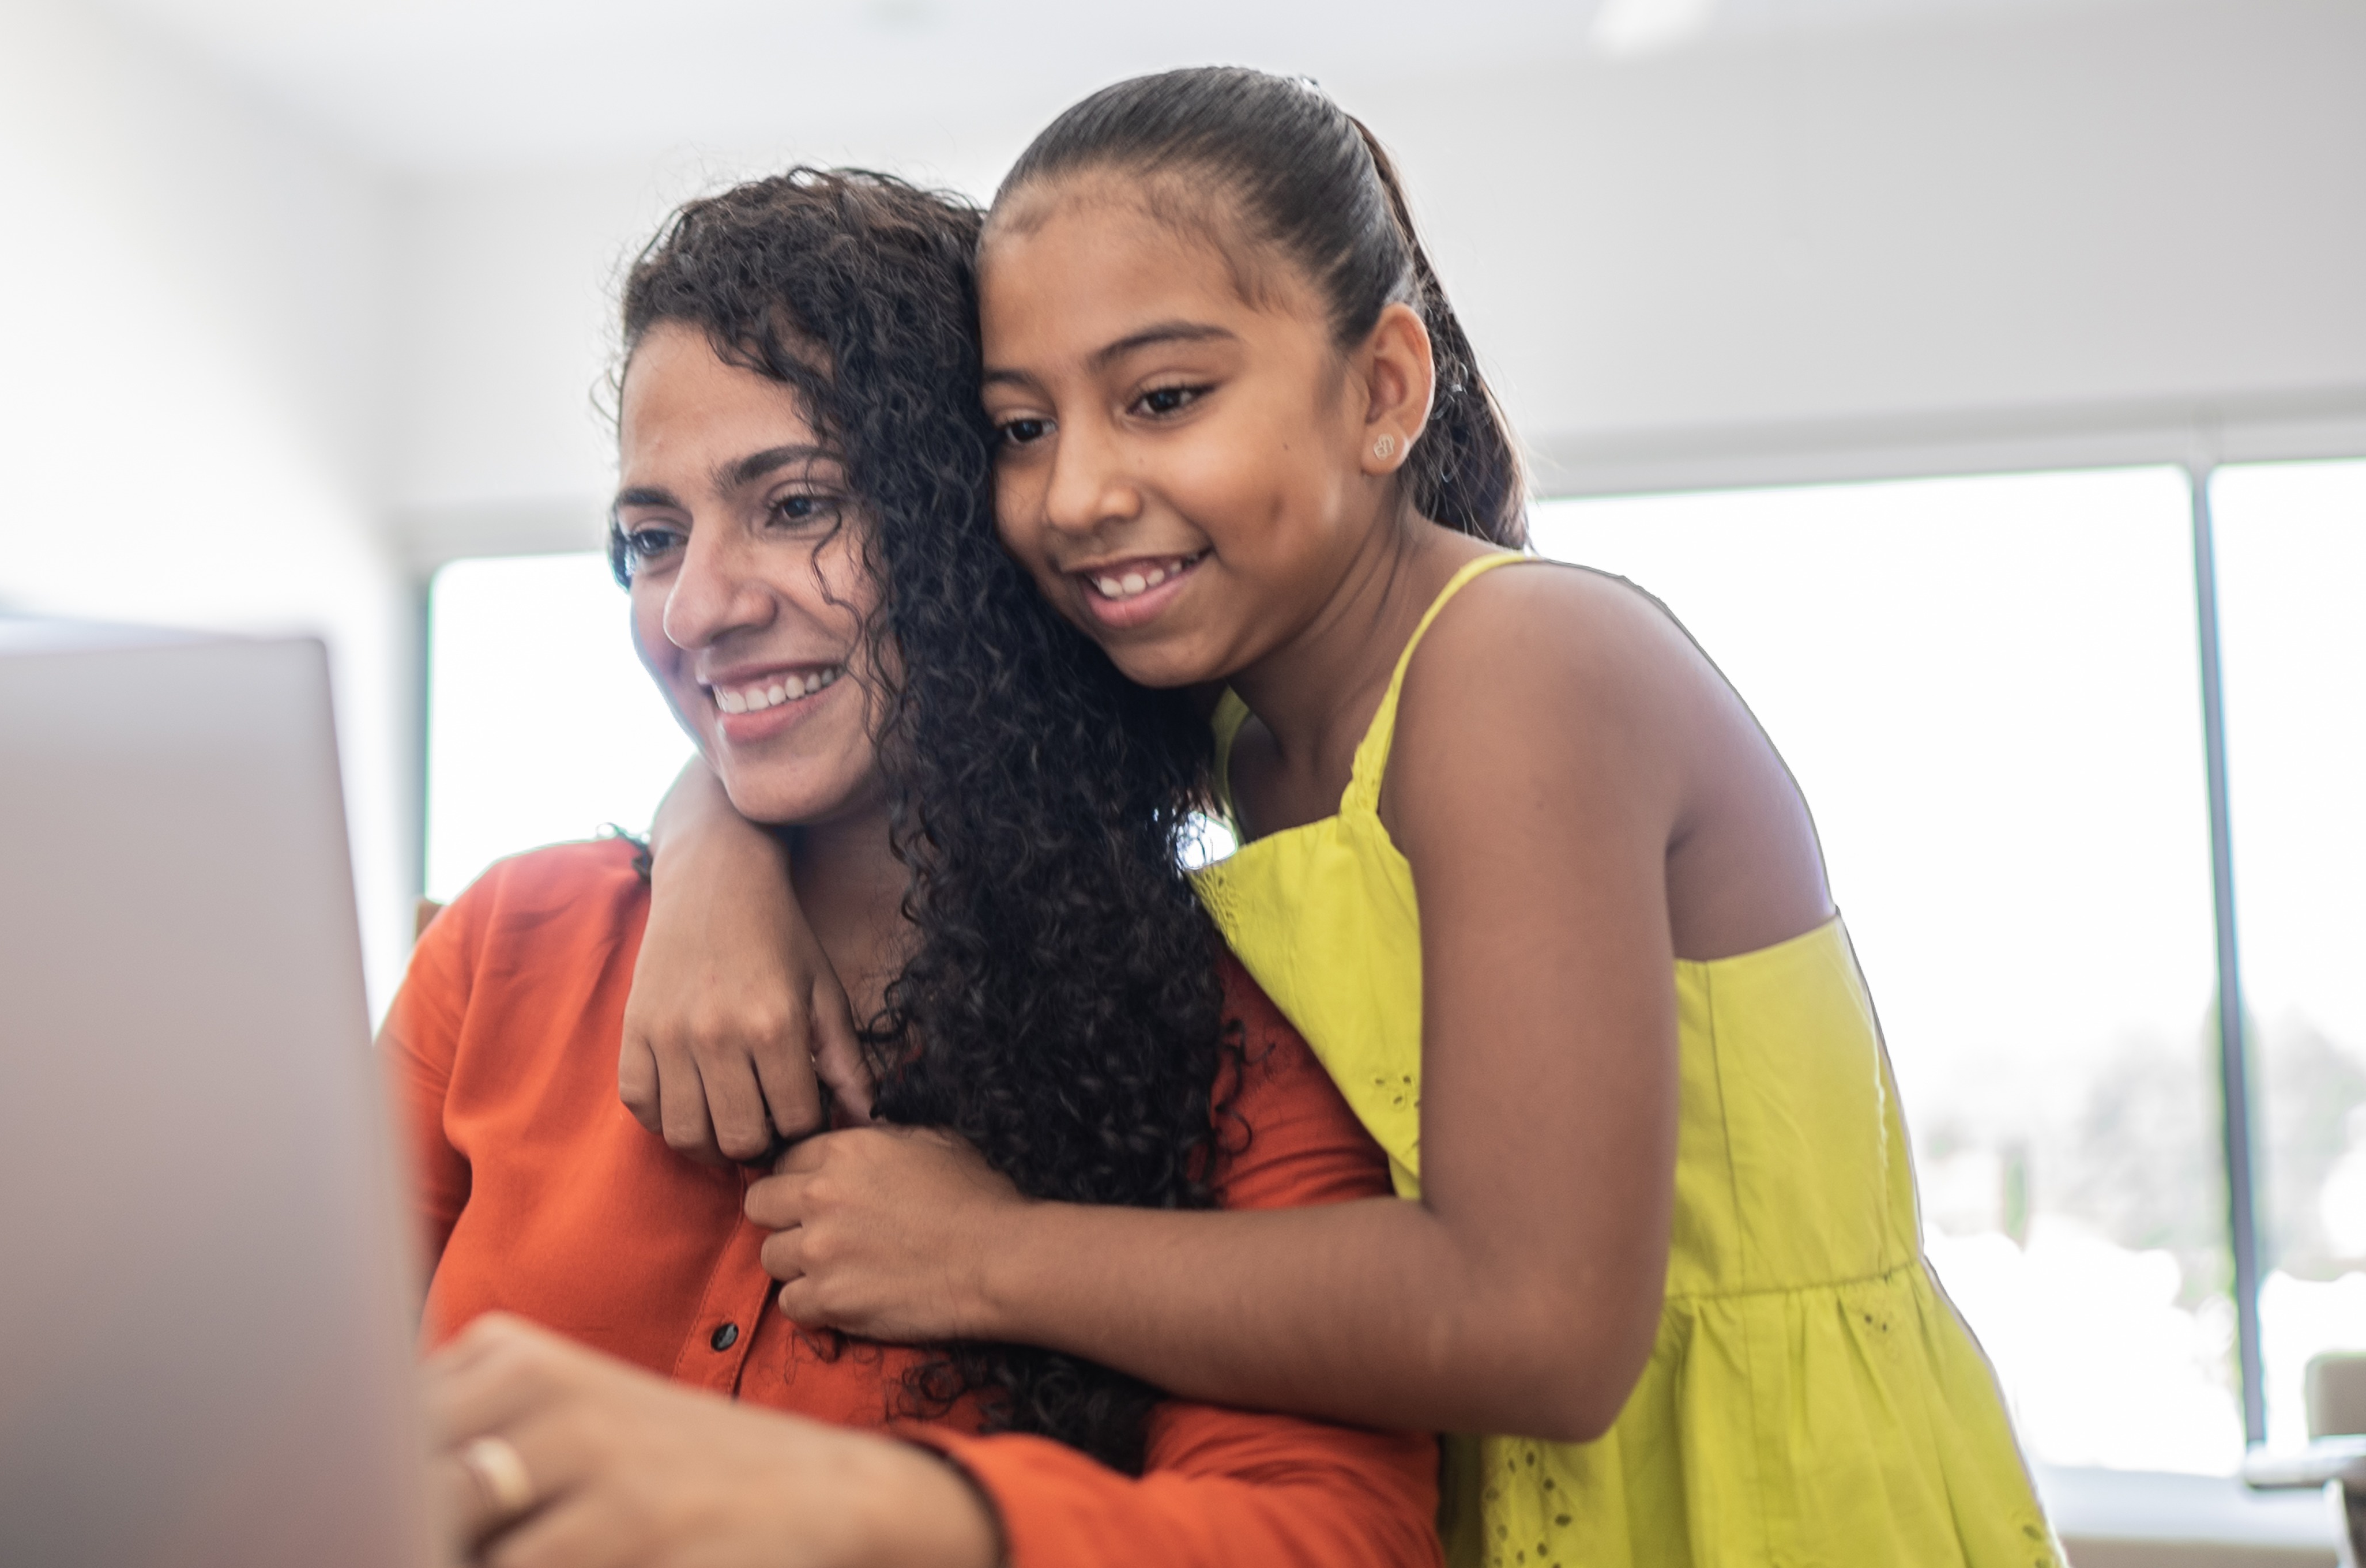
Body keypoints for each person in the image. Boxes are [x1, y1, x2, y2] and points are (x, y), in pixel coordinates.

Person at [621, 69, 2057, 1566]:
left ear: (1380, 391)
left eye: (1164, 398)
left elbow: (1540, 1326)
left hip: (1752, 1507)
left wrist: (986, 1257)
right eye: (1021, 427)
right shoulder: (1230, 715)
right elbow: (864, 732)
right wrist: (709, 848)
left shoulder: (1522, 669)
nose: (1077, 493)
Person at [396, 168, 1439, 1567]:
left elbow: (1337, 1534)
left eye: (799, 504)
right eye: (653, 538)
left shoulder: (1228, 1035)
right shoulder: (511, 944)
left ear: (984, 520)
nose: (701, 606)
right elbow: (256, 1392)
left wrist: (865, 1507)